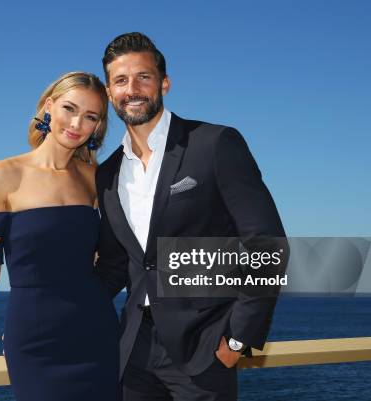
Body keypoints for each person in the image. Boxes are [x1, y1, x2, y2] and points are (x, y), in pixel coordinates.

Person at [95, 32, 288, 401]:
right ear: (109, 92)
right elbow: (116, 267)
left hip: (204, 350)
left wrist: (237, 337)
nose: (132, 88)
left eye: (143, 77)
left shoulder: (215, 144)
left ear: (164, 83)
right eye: (121, 80)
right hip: (134, 351)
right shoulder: (108, 174)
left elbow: (267, 244)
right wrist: (47, 314)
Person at [0, 71, 121, 401]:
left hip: (96, 329)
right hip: (35, 337)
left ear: (97, 126)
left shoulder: (94, 178)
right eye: (69, 109)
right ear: (48, 106)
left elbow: (103, 254)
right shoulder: (1, 175)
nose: (76, 124)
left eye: (90, 117)